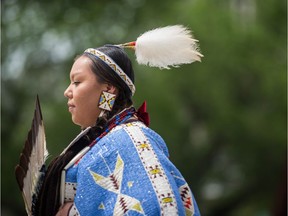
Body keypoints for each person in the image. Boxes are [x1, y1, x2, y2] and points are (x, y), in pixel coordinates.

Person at [34, 25, 203, 216]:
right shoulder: (105, 141)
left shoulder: (128, 139)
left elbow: (162, 208)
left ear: (108, 89)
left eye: (77, 82)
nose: (67, 92)